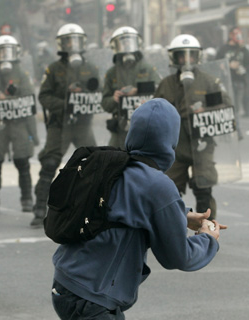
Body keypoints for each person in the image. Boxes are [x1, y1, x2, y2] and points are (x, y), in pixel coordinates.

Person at [50, 98, 225, 319]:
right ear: (171, 140)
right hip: (92, 298)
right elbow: (177, 256)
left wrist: (183, 214)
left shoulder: (115, 166)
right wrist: (208, 239)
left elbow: (129, 208)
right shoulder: (158, 185)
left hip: (67, 283)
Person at [154, 34, 232, 220]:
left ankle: (206, 230)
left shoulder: (209, 82)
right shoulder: (166, 85)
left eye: (191, 56)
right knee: (170, 189)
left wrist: (206, 111)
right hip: (175, 145)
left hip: (202, 144)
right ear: (175, 58)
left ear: (198, 57)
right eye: (182, 56)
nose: (186, 60)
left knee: (203, 186)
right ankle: (173, 229)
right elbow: (154, 110)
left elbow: (226, 107)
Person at [32, 23, 100, 227]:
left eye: (76, 40)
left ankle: (97, 207)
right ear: (61, 44)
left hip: (82, 125)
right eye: (68, 40)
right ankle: (38, 210)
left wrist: (85, 97)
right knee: (50, 163)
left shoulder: (91, 68)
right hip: (60, 125)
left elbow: (99, 94)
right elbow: (43, 96)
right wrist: (66, 103)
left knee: (96, 163)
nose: (73, 45)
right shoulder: (53, 69)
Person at [0, 35, 38, 213]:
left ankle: (27, 198)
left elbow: (30, 102)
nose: (5, 56)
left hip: (19, 124)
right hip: (0, 124)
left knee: (22, 160)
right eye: (1, 52)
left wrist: (33, 134)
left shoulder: (22, 75)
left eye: (9, 51)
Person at [102, 26, 161, 149]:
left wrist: (139, 91)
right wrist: (114, 99)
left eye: (129, 41)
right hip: (120, 128)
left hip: (145, 126)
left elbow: (159, 92)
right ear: (115, 47)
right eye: (122, 42)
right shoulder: (111, 73)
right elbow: (104, 103)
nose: (127, 45)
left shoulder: (147, 69)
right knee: (112, 162)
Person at [217, 27, 249, 121]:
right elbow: (216, 62)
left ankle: (238, 124)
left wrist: (242, 68)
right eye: (235, 33)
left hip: (240, 80)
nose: (237, 36)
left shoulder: (243, 49)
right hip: (227, 80)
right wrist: (228, 65)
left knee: (237, 105)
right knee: (230, 104)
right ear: (230, 35)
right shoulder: (223, 49)